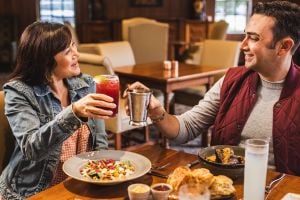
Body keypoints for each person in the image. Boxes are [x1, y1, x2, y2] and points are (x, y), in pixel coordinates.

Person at [126, 1, 300, 176]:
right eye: (245, 35)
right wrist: (157, 112)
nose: (243, 45)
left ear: (284, 46)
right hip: (225, 186)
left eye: (254, 38)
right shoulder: (232, 80)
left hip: (281, 190)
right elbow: (187, 127)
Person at [0, 21, 116, 199]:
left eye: (74, 46)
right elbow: (32, 149)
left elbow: (99, 143)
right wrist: (74, 113)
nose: (77, 54)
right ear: (45, 60)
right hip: (33, 192)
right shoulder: (18, 92)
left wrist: (101, 179)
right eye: (68, 51)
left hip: (79, 184)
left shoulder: (86, 85)